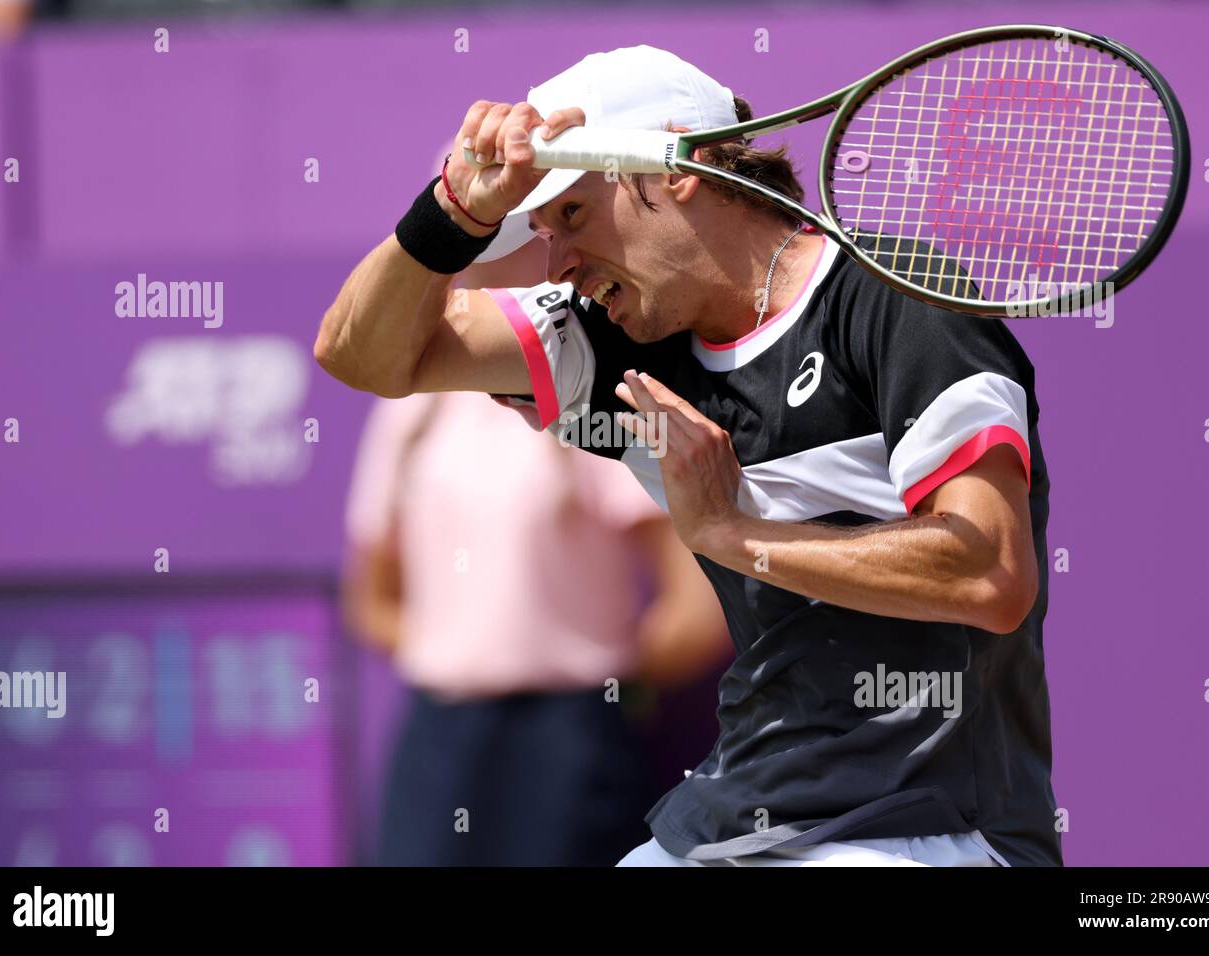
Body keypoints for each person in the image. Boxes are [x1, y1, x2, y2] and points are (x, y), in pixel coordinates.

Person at [315, 45, 1060, 867]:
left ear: (679, 169)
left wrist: (731, 532)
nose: (557, 261)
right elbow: (364, 357)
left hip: (927, 828)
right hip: (734, 816)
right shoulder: (608, 340)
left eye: (571, 216)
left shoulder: (897, 296)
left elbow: (989, 574)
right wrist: (453, 211)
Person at [342, 237, 730, 867]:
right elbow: (371, 597)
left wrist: (607, 689)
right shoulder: (409, 413)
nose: (483, 252)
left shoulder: (594, 385)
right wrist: (465, 654)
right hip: (439, 737)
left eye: (507, 226)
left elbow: (695, 599)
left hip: (570, 740)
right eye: (465, 229)